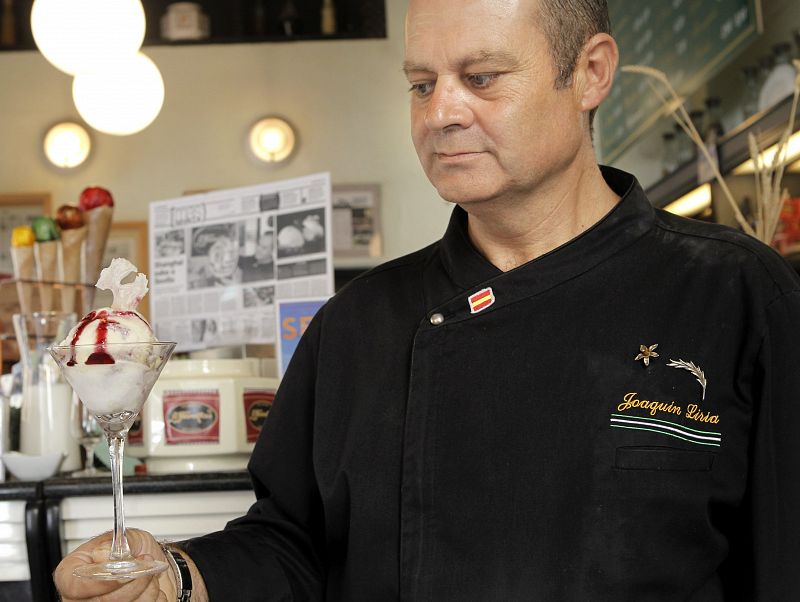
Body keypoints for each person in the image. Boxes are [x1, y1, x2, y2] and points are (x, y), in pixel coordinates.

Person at [57, 0, 800, 600]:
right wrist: (180, 579)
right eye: (421, 83)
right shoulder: (356, 324)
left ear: (592, 72)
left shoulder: (736, 295)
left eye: (481, 78)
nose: (439, 112)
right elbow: (291, 543)